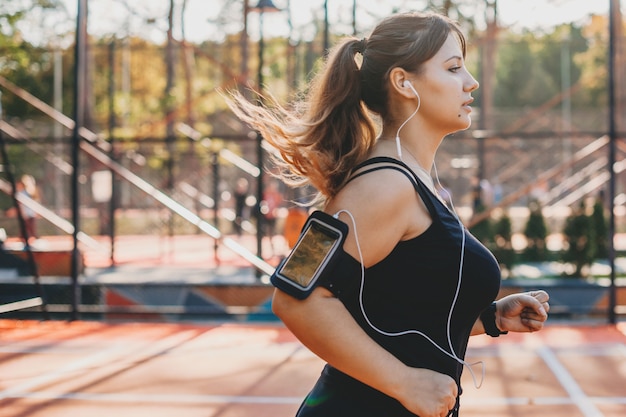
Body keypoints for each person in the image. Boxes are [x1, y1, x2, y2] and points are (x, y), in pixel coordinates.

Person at [226, 11, 550, 417]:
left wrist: (492, 317)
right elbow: (294, 296)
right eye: (453, 68)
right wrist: (404, 381)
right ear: (403, 82)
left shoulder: (416, 182)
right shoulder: (384, 185)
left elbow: (402, 308)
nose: (471, 81)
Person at [16, 174, 40, 243]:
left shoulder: (33, 192)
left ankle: (32, 236)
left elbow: (36, 202)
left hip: (31, 212)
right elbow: (20, 203)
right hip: (26, 213)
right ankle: (23, 237)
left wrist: (36, 212)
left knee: (31, 226)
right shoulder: (23, 192)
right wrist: (22, 212)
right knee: (25, 226)